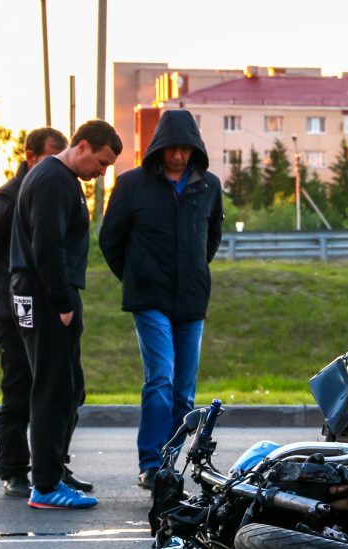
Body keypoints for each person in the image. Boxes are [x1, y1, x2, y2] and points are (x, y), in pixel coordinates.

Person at [99, 109, 223, 490]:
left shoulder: (209, 185)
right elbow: (110, 240)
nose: (179, 155)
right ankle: (150, 464)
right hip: (149, 298)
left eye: (186, 149)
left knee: (185, 391)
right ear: (160, 148)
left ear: (195, 150)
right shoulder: (132, 184)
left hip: (191, 300)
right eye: (173, 148)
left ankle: (169, 464)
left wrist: (194, 273)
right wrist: (137, 278)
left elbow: (211, 238)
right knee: (161, 380)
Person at [10, 119, 122, 509]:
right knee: (53, 390)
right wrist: (61, 303)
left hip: (46, 292)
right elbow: (48, 246)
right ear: (84, 146)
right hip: (45, 296)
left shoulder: (59, 179)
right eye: (103, 162)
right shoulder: (55, 180)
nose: (102, 172)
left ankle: (53, 472)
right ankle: (45, 484)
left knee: (70, 387)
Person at [0, 127, 81, 498]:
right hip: (12, 305)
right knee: (20, 387)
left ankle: (54, 466)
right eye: (50, 155)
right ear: (30, 156)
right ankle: (15, 469)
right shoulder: (6, 198)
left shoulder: (54, 187)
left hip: (37, 301)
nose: (56, 162)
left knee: (65, 387)